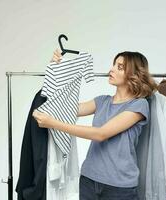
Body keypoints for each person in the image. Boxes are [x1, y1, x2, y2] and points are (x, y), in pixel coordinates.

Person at [32, 49, 158, 200]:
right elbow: (63, 107)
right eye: (113, 65)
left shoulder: (139, 105)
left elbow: (101, 134)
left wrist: (54, 124)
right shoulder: (102, 101)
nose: (111, 70)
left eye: (120, 67)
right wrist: (55, 68)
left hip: (119, 188)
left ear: (133, 74)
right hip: (88, 180)